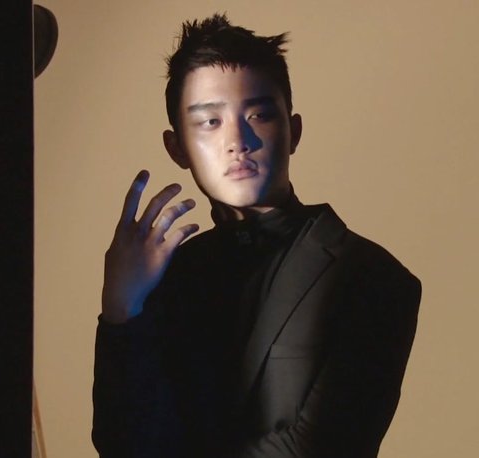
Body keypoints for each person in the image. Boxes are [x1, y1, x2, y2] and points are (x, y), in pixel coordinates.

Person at [92, 13, 421, 458]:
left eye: (259, 114)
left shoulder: (373, 276)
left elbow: (321, 449)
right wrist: (120, 310)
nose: (237, 140)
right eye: (210, 122)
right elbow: (123, 446)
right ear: (177, 148)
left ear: (293, 131)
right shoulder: (163, 280)